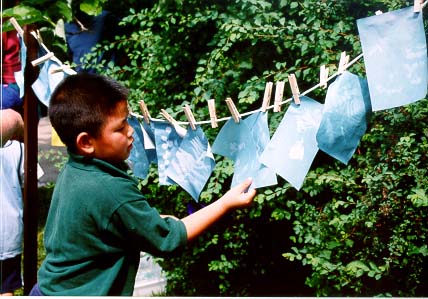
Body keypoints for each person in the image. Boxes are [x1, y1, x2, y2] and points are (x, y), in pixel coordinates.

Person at [29, 73, 256, 296]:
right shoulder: (110, 189)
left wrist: (156, 221)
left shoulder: (76, 170)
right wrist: (225, 203)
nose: (130, 132)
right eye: (119, 128)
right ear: (86, 142)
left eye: (127, 121)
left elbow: (113, 224)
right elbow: (168, 240)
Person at [0, 140, 24, 296]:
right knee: (6, 288)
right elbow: (31, 179)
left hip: (8, 233)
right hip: (8, 231)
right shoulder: (19, 148)